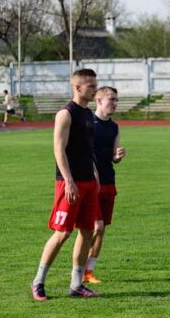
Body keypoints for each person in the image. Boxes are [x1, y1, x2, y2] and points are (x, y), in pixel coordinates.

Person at [31, 69, 101, 301]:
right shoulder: (65, 113)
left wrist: (94, 173)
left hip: (88, 182)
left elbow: (87, 149)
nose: (94, 88)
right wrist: (69, 181)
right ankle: (38, 282)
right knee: (62, 233)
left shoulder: (88, 114)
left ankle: (76, 284)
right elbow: (58, 149)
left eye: (95, 85)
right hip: (69, 183)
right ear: (77, 87)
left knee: (87, 231)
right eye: (90, 86)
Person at [76, 86, 126, 284]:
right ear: (98, 101)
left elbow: (113, 157)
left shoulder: (114, 127)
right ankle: (79, 270)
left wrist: (117, 156)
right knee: (95, 226)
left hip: (108, 182)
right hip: (90, 183)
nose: (114, 103)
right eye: (111, 99)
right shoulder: (88, 123)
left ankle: (88, 272)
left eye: (116, 100)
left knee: (101, 228)